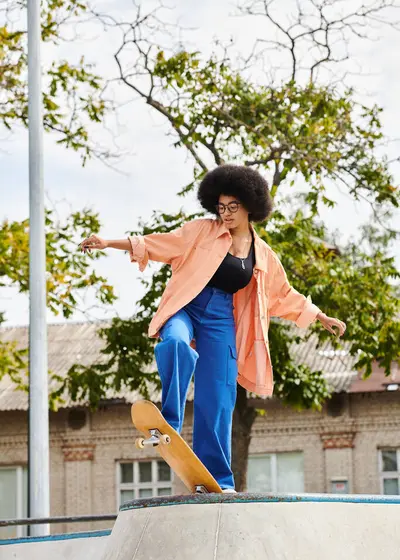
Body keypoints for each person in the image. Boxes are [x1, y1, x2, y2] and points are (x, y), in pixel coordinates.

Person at [80, 164, 346, 493]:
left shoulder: (263, 256)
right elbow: (158, 243)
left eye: (233, 207)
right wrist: (108, 242)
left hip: (222, 319)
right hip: (186, 306)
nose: (226, 213)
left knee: (219, 398)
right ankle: (170, 421)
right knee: (176, 344)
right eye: (221, 207)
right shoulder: (202, 231)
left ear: (251, 206)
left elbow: (283, 295)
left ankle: (218, 479)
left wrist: (320, 317)